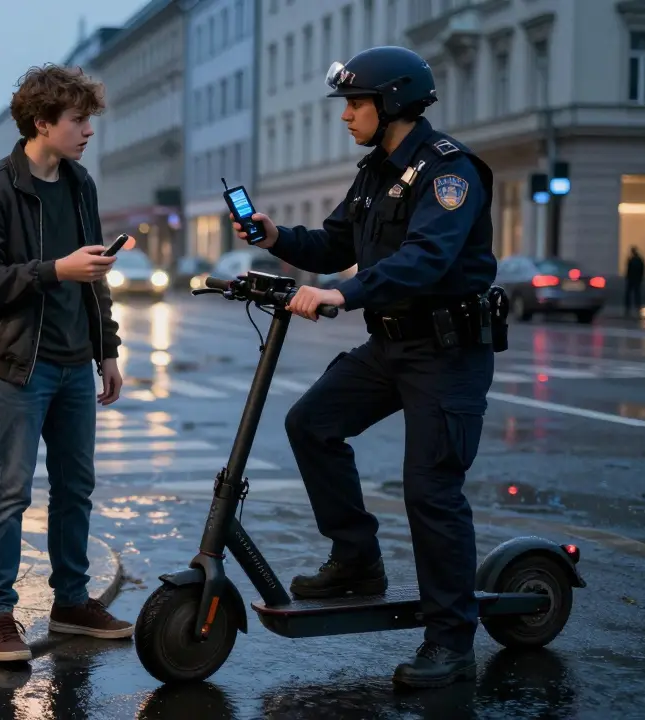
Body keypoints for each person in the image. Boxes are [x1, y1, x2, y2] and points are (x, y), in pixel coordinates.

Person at [231, 46, 497, 689]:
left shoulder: (449, 172)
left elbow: (428, 258)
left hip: (447, 352)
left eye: (356, 103)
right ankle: (356, 561)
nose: (346, 115)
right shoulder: (376, 172)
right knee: (311, 423)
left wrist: (341, 293)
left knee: (430, 493)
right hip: (392, 345)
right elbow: (335, 243)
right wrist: (276, 238)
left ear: (394, 102)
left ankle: (451, 642)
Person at [0, 63, 133, 664]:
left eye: (88, 120)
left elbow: (95, 275)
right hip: (19, 366)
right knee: (9, 491)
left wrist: (107, 349)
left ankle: (72, 602)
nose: (88, 131)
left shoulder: (80, 183)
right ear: (42, 122)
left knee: (76, 488)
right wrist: (55, 269)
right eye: (78, 120)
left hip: (76, 361)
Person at [624, 247, 644, 316]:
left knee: (629, 293)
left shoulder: (631, 259)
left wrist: (627, 277)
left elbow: (628, 270)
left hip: (631, 279)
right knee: (637, 293)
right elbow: (642, 270)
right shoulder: (639, 259)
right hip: (637, 279)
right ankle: (637, 304)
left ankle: (628, 305)